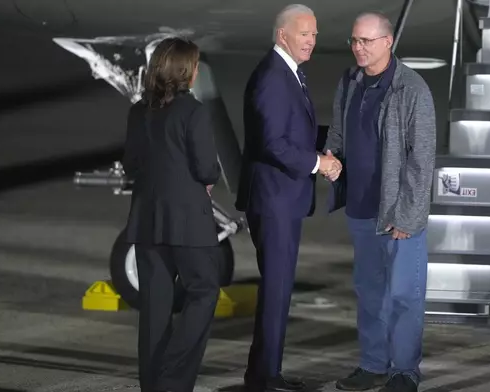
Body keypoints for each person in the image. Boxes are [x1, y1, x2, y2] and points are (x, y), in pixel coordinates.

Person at [323, 12, 436, 392]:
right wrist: (331, 156)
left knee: (404, 296)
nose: (358, 48)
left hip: (396, 214)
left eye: (366, 41)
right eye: (354, 41)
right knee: (370, 295)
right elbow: (339, 129)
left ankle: (404, 371)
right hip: (360, 208)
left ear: (388, 42)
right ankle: (373, 365)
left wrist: (409, 214)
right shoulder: (350, 81)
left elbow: (421, 159)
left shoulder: (411, 90)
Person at [235, 4, 341, 392]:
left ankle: (265, 373)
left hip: (282, 198)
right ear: (283, 35)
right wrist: (319, 164)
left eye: (314, 34)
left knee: (279, 289)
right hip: (275, 200)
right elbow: (273, 144)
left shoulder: (288, 73)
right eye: (304, 34)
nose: (312, 41)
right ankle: (264, 377)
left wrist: (339, 142)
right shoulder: (272, 78)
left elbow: (294, 131)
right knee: (276, 289)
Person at [123, 37, 222, 392]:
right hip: (188, 222)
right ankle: (173, 378)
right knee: (204, 291)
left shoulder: (139, 110)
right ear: (186, 71)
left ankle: (152, 384)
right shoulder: (192, 111)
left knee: (155, 306)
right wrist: (205, 181)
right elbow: (207, 168)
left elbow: (130, 164)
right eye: (195, 65)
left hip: (147, 220)